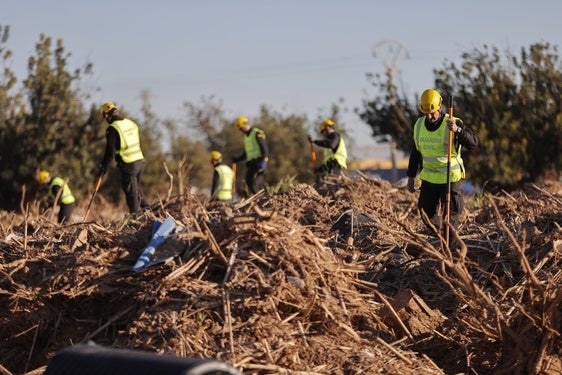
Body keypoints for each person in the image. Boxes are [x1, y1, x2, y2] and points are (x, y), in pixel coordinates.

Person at [406, 88, 479, 241]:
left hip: (450, 178)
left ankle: (450, 247)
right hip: (429, 178)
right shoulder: (419, 125)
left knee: (450, 218)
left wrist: (458, 130)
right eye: (426, 113)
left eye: (432, 112)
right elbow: (415, 152)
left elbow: (473, 143)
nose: (430, 116)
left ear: (440, 107)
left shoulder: (452, 122)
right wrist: (411, 177)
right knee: (426, 215)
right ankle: (441, 238)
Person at [99, 101, 149, 214]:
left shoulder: (112, 129)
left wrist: (103, 166)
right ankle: (149, 210)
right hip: (140, 161)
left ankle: (136, 218)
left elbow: (110, 152)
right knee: (135, 189)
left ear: (106, 115)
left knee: (132, 194)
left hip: (128, 164)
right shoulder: (131, 123)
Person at [232, 116, 269, 195]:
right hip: (252, 163)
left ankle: (263, 199)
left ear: (246, 124)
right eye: (240, 129)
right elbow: (246, 153)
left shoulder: (257, 133)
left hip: (260, 163)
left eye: (242, 128)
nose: (241, 130)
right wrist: (237, 159)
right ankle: (258, 198)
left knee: (256, 184)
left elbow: (265, 150)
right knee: (249, 182)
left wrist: (261, 161)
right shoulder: (246, 137)